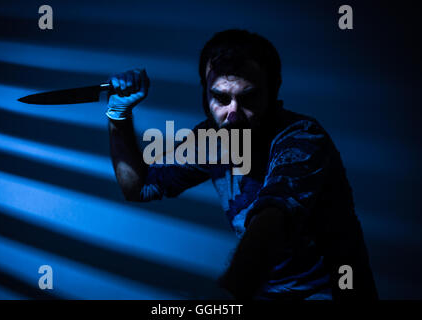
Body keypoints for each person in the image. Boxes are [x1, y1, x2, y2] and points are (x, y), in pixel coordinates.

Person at [106, 29, 378, 300]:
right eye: (221, 99)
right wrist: (118, 115)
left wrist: (223, 299)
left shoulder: (302, 139)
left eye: (248, 98)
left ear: (273, 90)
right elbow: (138, 187)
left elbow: (272, 221)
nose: (233, 115)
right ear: (204, 93)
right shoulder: (212, 141)